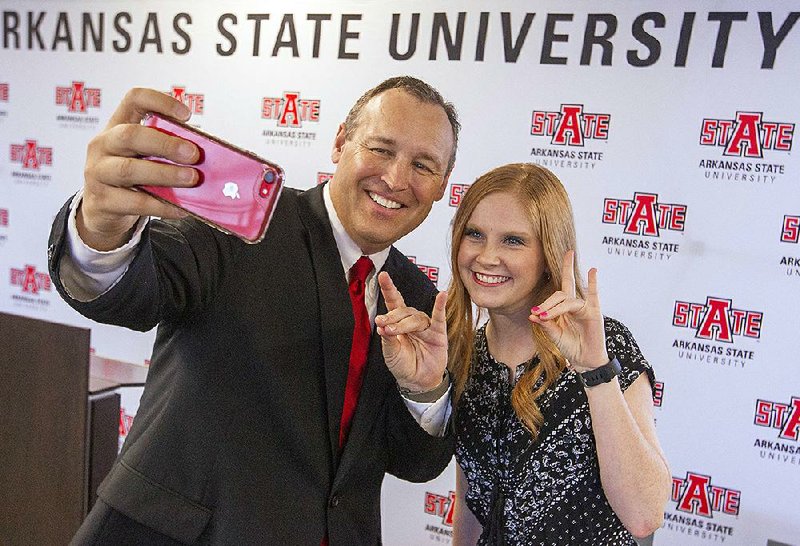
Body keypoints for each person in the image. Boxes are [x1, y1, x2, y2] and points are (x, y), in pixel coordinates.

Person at [47, 76, 459, 544]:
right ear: (341, 142)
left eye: (423, 165)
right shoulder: (245, 222)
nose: (396, 179)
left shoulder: (420, 301)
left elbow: (415, 462)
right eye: (381, 149)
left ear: (442, 185)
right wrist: (101, 229)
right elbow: (136, 290)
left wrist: (424, 389)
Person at [445, 163, 671, 545]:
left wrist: (594, 370)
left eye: (513, 240)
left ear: (549, 253)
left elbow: (645, 515)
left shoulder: (606, 344)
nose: (486, 256)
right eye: (475, 234)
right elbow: (472, 507)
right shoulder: (466, 353)